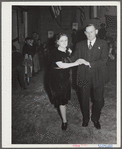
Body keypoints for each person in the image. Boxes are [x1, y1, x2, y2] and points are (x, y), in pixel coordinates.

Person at [71, 24, 109, 129]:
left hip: (98, 76)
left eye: (91, 31)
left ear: (96, 31)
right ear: (84, 33)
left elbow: (104, 60)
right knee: (84, 100)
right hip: (83, 76)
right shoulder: (80, 44)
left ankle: (95, 118)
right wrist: (65, 56)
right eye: (87, 32)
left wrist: (88, 63)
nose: (89, 34)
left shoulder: (103, 43)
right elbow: (74, 57)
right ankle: (86, 119)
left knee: (99, 100)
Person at [49, 33, 87, 130]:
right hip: (57, 79)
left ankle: (64, 113)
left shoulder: (67, 51)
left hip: (66, 78)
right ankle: (64, 121)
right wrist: (75, 63)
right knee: (62, 101)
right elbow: (61, 65)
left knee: (64, 100)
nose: (64, 42)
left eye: (66, 40)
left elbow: (70, 57)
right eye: (61, 41)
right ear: (57, 42)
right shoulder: (54, 52)